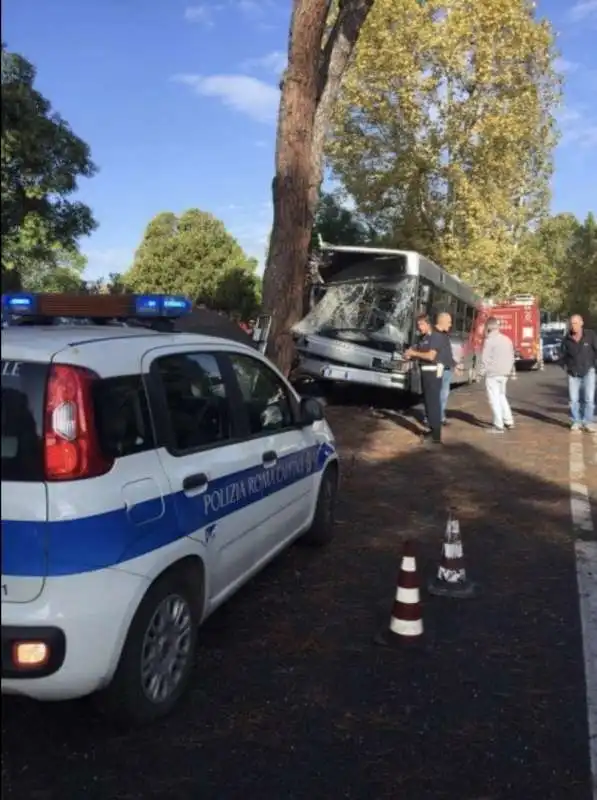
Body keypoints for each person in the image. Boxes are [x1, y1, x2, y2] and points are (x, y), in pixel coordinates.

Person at [404, 314, 445, 446]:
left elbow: (431, 356)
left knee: (433, 404)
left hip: (433, 373)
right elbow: (417, 351)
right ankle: (432, 431)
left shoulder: (435, 337)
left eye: (421, 325)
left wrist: (414, 354)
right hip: (425, 372)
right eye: (418, 325)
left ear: (428, 324)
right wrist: (410, 354)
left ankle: (436, 437)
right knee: (428, 403)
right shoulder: (424, 338)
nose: (419, 328)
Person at [560, 314, 597, 433]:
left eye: (575, 323)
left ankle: (588, 422)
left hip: (589, 371)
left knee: (589, 399)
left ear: (581, 323)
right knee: (573, 399)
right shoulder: (567, 339)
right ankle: (576, 421)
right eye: (571, 324)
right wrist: (565, 366)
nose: (573, 326)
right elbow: (562, 355)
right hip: (573, 373)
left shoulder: (590, 335)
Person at [480, 317, 515, 434]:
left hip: (493, 374)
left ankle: (498, 425)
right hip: (504, 374)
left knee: (494, 399)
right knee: (501, 396)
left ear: (488, 327)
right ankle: (509, 420)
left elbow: (485, 359)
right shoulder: (507, 340)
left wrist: (481, 372)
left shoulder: (489, 341)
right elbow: (511, 357)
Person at [435, 312, 457, 425]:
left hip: (447, 369)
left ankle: (440, 416)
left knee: (444, 394)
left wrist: (454, 364)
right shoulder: (433, 334)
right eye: (449, 322)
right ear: (442, 321)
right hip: (439, 368)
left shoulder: (445, 335)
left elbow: (447, 353)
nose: (450, 324)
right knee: (438, 394)